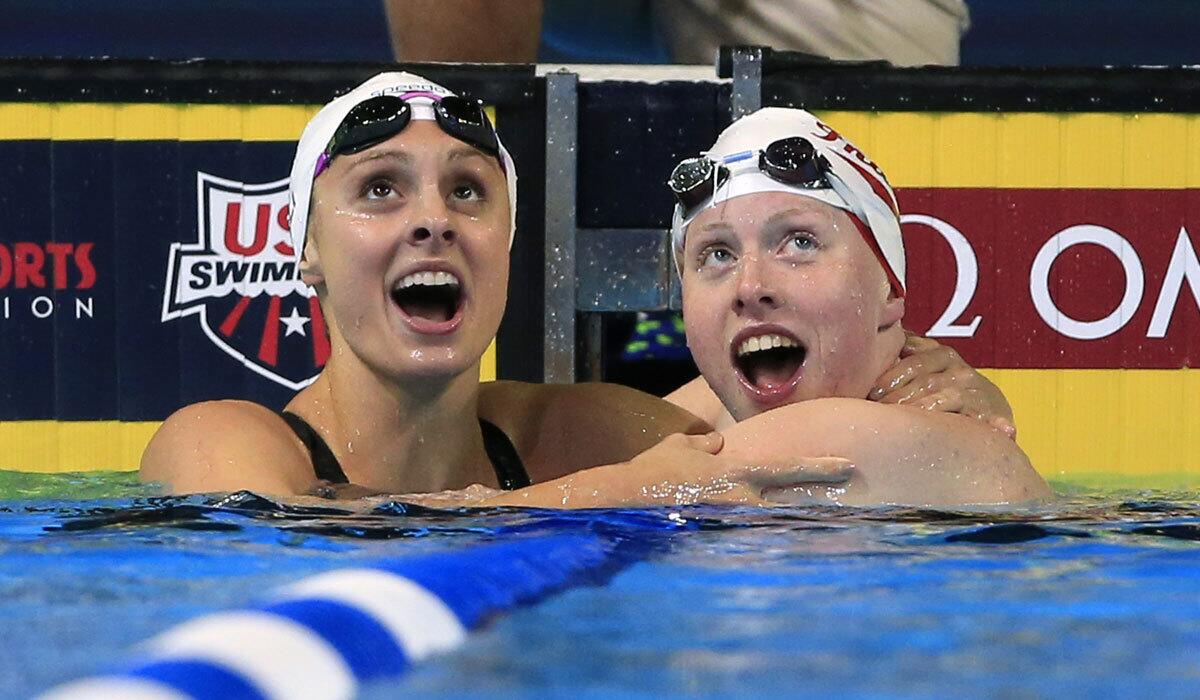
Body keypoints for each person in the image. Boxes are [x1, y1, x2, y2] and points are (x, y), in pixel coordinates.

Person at [140, 71, 851, 506]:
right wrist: (601, 497)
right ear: (308, 251)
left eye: (467, 192)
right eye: (381, 188)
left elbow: (794, 442)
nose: (432, 221)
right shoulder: (219, 440)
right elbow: (270, 544)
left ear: (504, 249)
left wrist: (930, 378)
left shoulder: (565, 436)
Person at [606, 107, 1048, 506]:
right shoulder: (716, 409)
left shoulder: (854, 434)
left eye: (800, 243)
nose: (751, 285)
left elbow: (546, 511)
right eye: (718, 254)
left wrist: (642, 483)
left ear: (891, 291)